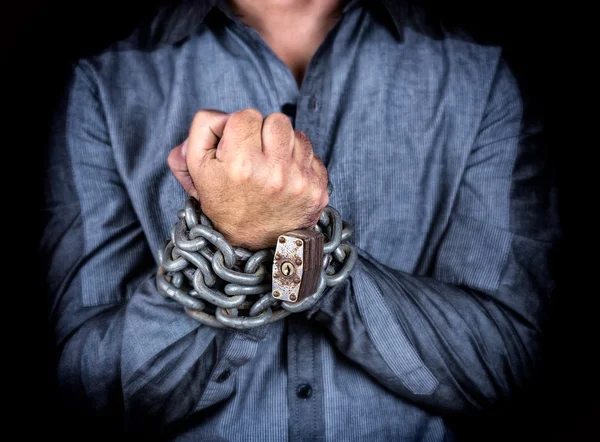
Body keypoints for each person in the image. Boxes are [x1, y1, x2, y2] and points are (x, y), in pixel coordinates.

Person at [41, 0, 560, 440]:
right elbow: (86, 388)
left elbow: (507, 363)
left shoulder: (478, 73)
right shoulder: (108, 79)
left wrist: (277, 242)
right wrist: (249, 235)